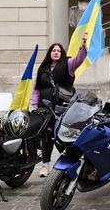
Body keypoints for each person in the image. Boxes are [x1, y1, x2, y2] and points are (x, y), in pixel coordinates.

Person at [31, 39, 87, 177]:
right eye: (53, 51)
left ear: (62, 53)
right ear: (49, 53)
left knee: (63, 136)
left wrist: (83, 46)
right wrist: (34, 104)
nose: (56, 53)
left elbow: (80, 59)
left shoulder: (68, 64)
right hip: (45, 108)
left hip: (62, 108)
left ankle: (70, 162)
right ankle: (45, 165)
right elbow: (37, 88)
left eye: (58, 51)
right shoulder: (43, 68)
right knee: (46, 136)